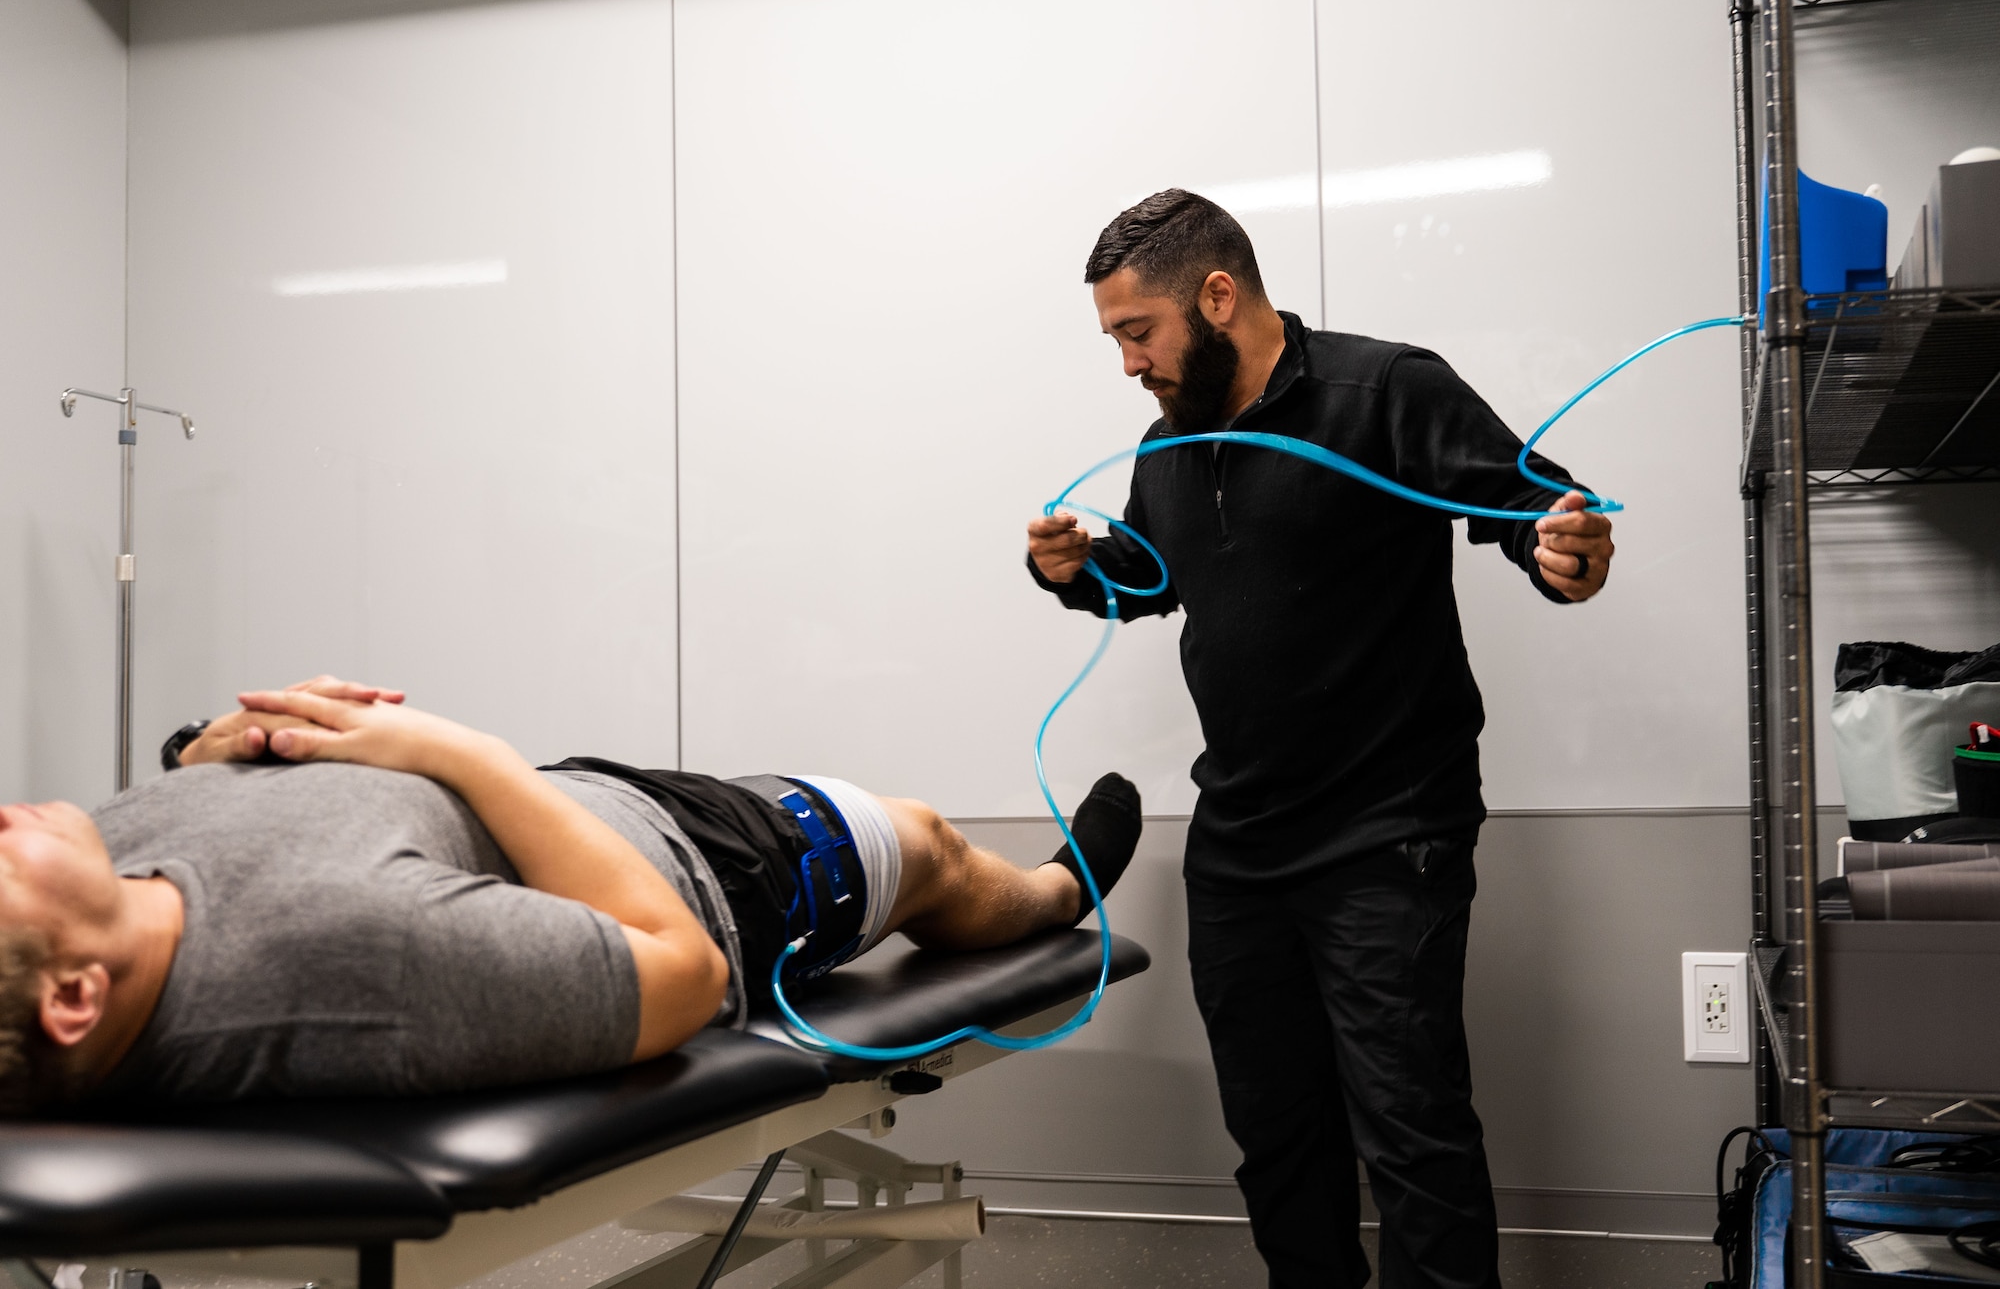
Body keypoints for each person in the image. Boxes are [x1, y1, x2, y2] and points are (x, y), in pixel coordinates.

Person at [1025, 190, 1615, 1289]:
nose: (1125, 363)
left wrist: (1567, 552)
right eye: (1112, 339)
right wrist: (1071, 571)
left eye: (1135, 332)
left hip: (1388, 832)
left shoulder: (1382, 388)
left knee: (1410, 1130)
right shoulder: (1169, 444)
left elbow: (1534, 513)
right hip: (1240, 843)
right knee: (1278, 1137)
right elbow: (1148, 581)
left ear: (1215, 295)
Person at [0, 676, 1143, 1113]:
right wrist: (457, 750)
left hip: (583, 800)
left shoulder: (102, 853)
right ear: (73, 1000)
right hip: (720, 867)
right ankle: (1056, 889)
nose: (7, 820)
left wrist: (219, 751)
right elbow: (684, 975)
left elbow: (216, 813)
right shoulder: (349, 956)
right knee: (929, 845)